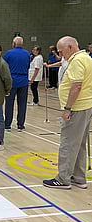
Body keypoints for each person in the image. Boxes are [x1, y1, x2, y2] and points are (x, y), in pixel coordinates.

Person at [43, 36, 92, 189]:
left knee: (68, 143)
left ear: (70, 47)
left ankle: (63, 179)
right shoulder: (86, 58)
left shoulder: (77, 61)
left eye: (61, 51)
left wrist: (67, 108)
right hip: (85, 106)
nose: (60, 54)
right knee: (79, 144)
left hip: (76, 108)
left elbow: (76, 86)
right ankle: (78, 177)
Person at [3, 36, 30, 131]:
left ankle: (7, 124)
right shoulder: (27, 54)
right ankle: (20, 124)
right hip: (23, 81)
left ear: (14, 44)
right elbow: (28, 66)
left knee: (9, 103)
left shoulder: (8, 53)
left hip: (11, 81)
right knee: (22, 104)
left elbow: (3, 66)